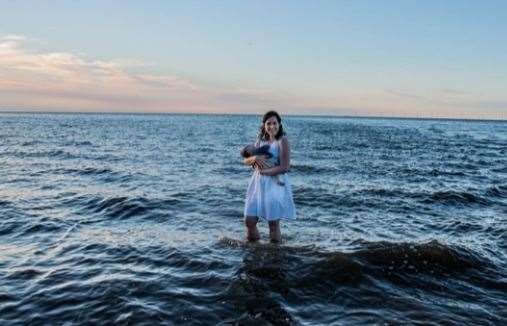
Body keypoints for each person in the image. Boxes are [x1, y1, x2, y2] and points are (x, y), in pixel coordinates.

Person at [243, 111, 296, 243]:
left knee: (273, 223)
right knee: (249, 220)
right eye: (268, 123)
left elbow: (285, 167)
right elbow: (247, 161)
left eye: (274, 123)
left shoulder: (282, 141)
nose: (272, 126)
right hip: (257, 183)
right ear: (264, 125)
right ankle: (254, 249)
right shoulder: (260, 141)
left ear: (279, 124)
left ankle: (275, 255)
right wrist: (254, 158)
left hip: (275, 184)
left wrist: (265, 172)